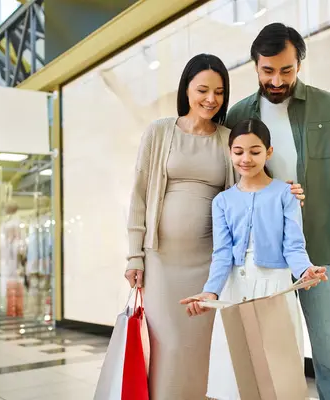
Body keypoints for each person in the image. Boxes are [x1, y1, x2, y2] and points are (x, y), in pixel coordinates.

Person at [124, 53, 305, 399]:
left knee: (198, 348)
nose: (211, 99)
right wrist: (134, 255)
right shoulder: (159, 132)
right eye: (203, 90)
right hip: (161, 260)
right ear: (186, 89)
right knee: (167, 346)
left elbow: (252, 183)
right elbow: (139, 197)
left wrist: (287, 189)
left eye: (219, 92)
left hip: (209, 262)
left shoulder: (227, 139)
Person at [223, 23, 330, 399]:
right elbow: (231, 186)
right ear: (255, 66)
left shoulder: (328, 107)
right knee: (270, 356)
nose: (276, 79)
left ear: (299, 64)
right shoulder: (238, 115)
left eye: (286, 70)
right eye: (267, 70)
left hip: (319, 250)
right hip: (265, 256)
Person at [180, 118, 328, 399]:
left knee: (278, 370)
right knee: (234, 370)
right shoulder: (222, 201)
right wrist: (211, 291)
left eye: (255, 151)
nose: (245, 159)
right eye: (238, 152)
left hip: (275, 287)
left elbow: (294, 246)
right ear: (229, 152)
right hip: (235, 288)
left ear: (268, 153)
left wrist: (306, 270)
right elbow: (222, 254)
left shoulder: (286, 194)